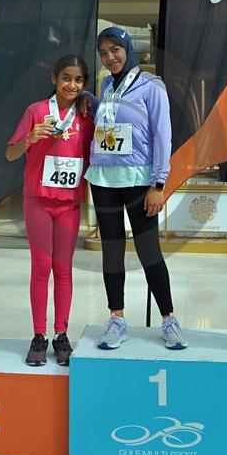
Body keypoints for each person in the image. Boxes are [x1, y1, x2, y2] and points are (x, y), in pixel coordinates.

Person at [86, 26, 187, 351]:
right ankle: (116, 318)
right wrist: (94, 103)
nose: (109, 57)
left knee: (148, 251)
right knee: (112, 251)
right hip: (104, 179)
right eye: (103, 53)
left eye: (115, 50)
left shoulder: (151, 86)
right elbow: (113, 120)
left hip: (140, 182)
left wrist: (159, 184)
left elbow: (163, 136)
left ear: (128, 49)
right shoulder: (106, 84)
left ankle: (169, 319)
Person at [6, 55, 94, 366]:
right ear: (54, 78)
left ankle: (61, 334)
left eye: (79, 80)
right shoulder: (36, 111)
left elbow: (94, 156)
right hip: (38, 201)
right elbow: (10, 154)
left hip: (68, 204)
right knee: (41, 267)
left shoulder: (85, 116)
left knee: (64, 269)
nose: (72, 85)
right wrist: (30, 138)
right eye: (66, 78)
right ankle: (39, 335)